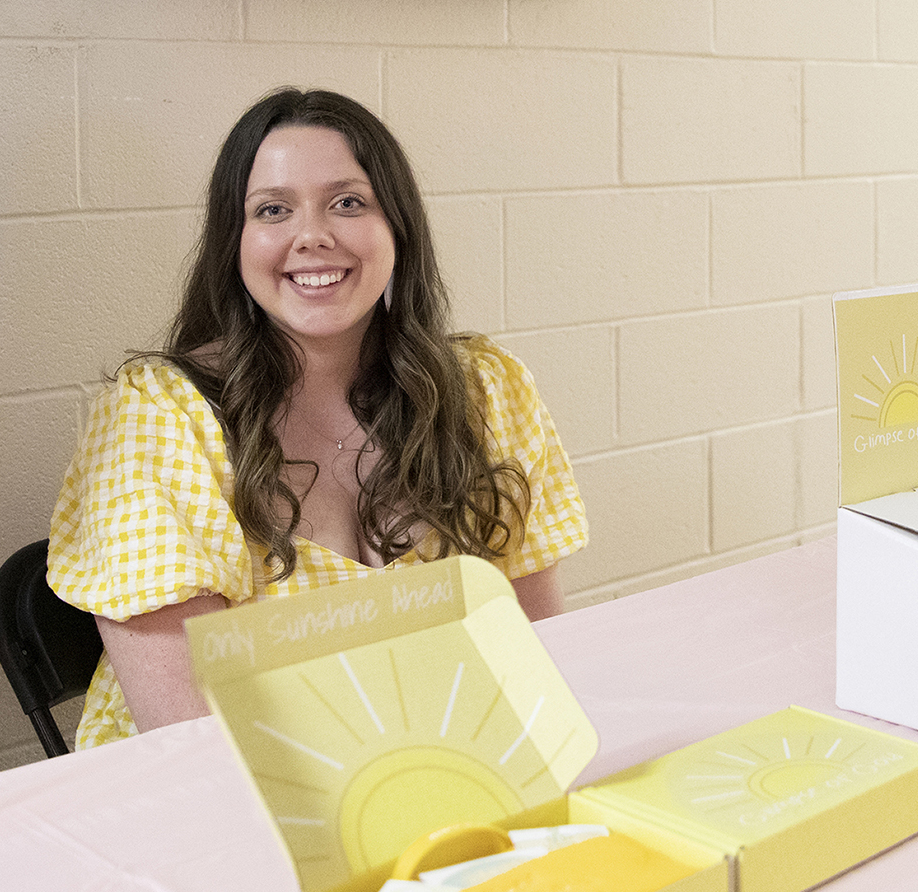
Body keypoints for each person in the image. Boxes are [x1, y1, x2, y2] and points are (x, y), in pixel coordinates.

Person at [48, 88, 587, 748]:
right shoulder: (159, 416)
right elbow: (189, 740)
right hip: (216, 803)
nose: (312, 235)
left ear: (398, 227)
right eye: (273, 209)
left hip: (443, 768)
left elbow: (536, 657)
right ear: (235, 242)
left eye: (348, 202)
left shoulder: (485, 388)